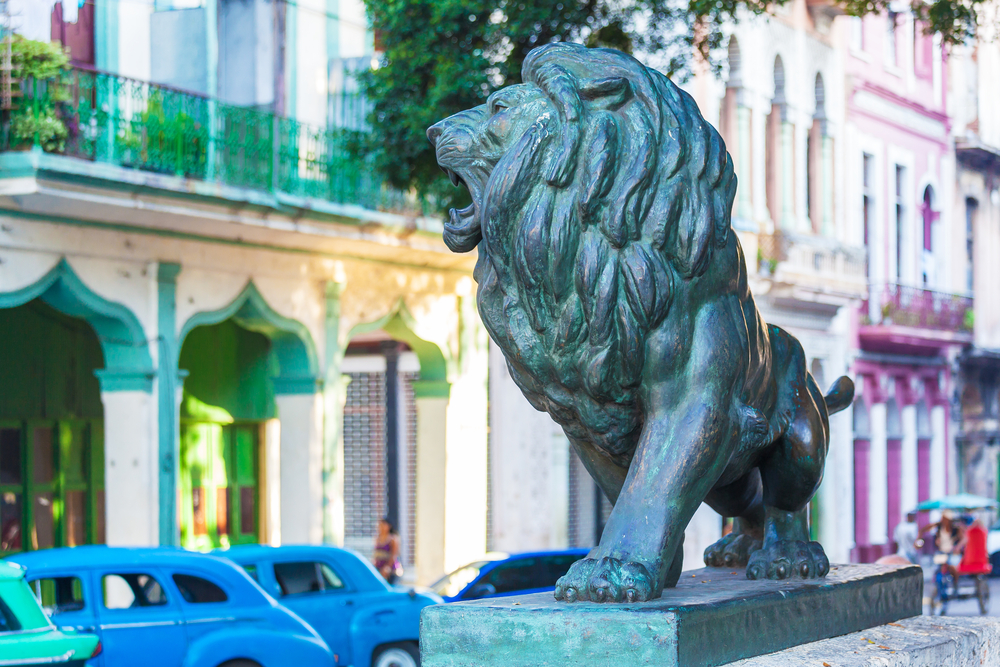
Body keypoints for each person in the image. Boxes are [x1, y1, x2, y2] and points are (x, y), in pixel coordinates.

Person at [373, 517, 402, 584]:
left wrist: (387, 567)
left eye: (384, 525)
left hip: (390, 569)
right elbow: (376, 553)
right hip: (379, 567)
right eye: (380, 525)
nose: (381, 527)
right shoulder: (377, 538)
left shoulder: (393, 539)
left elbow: (394, 555)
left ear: (389, 526)